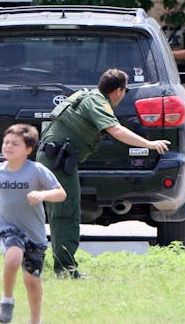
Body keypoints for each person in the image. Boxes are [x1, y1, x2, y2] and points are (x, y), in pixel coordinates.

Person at [36, 69, 171, 278]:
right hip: (57, 161)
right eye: (125, 90)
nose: (124, 94)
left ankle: (48, 265)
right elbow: (115, 130)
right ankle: (65, 270)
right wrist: (149, 144)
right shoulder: (98, 102)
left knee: (58, 213)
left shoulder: (85, 95)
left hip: (53, 158)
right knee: (66, 213)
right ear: (118, 90)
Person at [0, 124, 67, 324]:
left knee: (32, 280)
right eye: (6, 142)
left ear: (28, 150)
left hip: (34, 232)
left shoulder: (36, 170)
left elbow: (61, 193)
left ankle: (35, 320)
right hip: (8, 225)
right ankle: (7, 300)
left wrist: (42, 194)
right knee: (12, 258)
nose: (8, 147)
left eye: (15, 144)